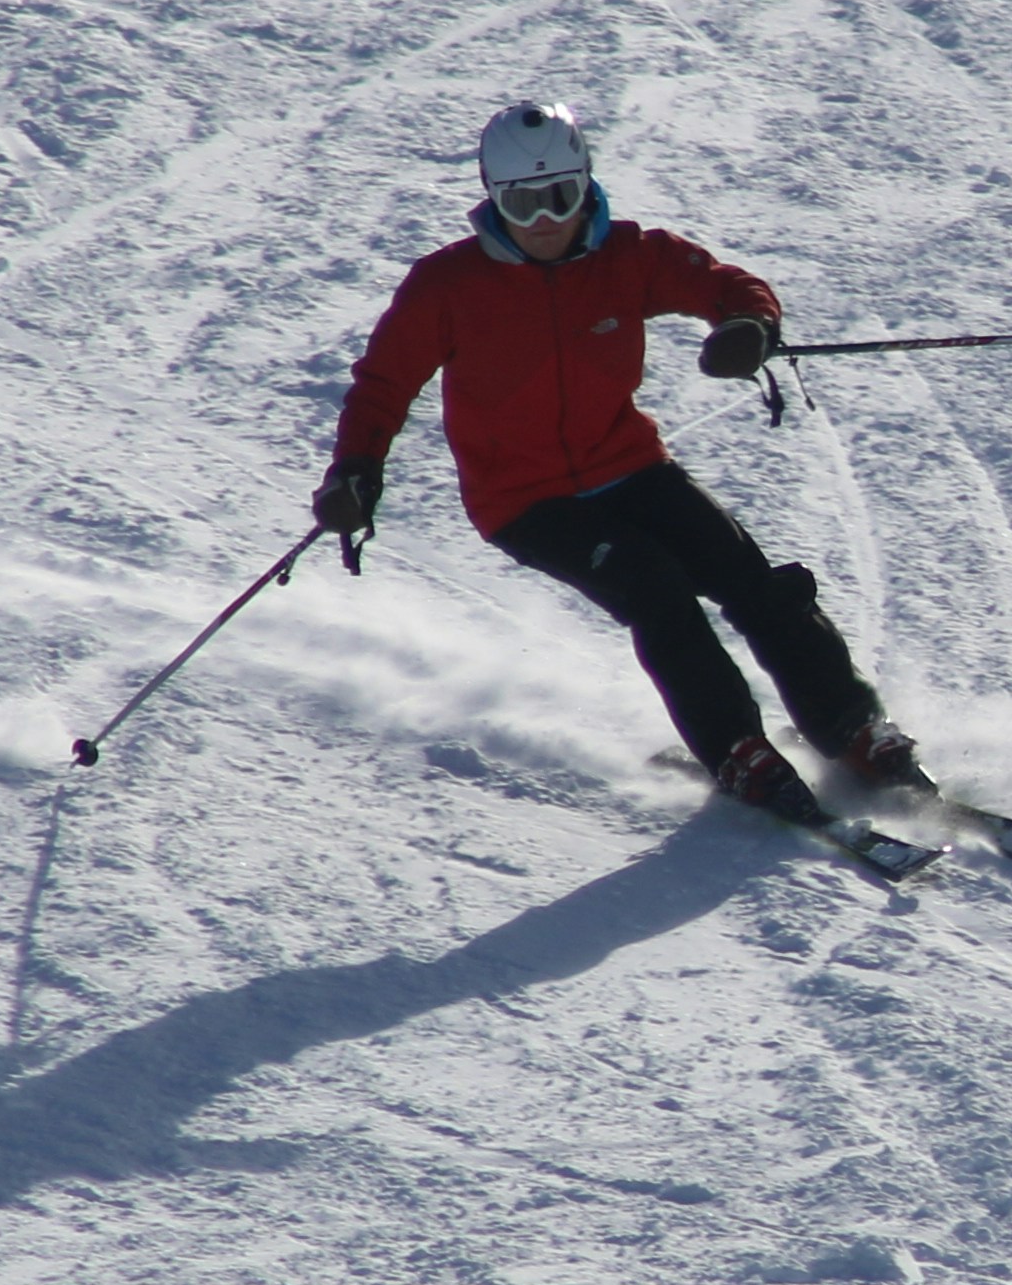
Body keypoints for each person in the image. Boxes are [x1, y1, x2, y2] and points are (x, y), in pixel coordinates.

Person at [310, 102, 920, 826]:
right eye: (522, 203)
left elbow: (727, 283)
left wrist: (748, 327)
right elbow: (383, 387)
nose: (543, 221)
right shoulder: (447, 286)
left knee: (751, 580)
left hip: (630, 465)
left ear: (587, 185)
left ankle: (850, 727)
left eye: (560, 198)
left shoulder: (629, 257)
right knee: (657, 590)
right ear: (491, 198)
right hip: (526, 499)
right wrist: (354, 472)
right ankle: (735, 748)